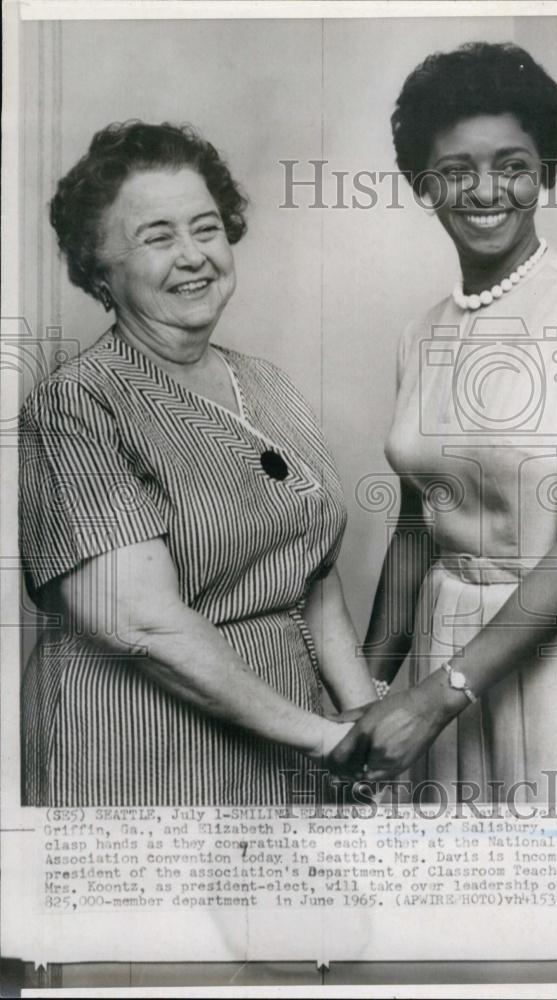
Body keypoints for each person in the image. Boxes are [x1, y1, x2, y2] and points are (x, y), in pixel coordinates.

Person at [329, 42, 557, 802]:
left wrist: (434, 697)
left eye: (511, 163)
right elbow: (417, 529)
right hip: (445, 644)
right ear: (424, 183)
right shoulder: (420, 333)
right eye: (454, 169)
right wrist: (369, 684)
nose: (485, 190)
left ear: (544, 168)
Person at [19, 121, 374, 806]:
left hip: (287, 738)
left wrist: (362, 723)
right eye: (158, 237)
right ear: (99, 268)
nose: (193, 256)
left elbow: (313, 571)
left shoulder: (268, 384)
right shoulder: (74, 406)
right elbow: (141, 620)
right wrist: (323, 739)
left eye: (205, 229)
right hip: (139, 744)